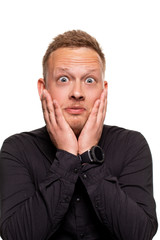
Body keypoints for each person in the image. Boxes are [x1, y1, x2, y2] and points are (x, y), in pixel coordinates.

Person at [0, 30, 158, 240]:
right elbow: (16, 235)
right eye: (64, 79)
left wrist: (88, 155)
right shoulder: (17, 149)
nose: (77, 93)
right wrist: (66, 155)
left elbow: (139, 234)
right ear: (43, 89)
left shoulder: (132, 145)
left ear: (104, 89)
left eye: (90, 80)